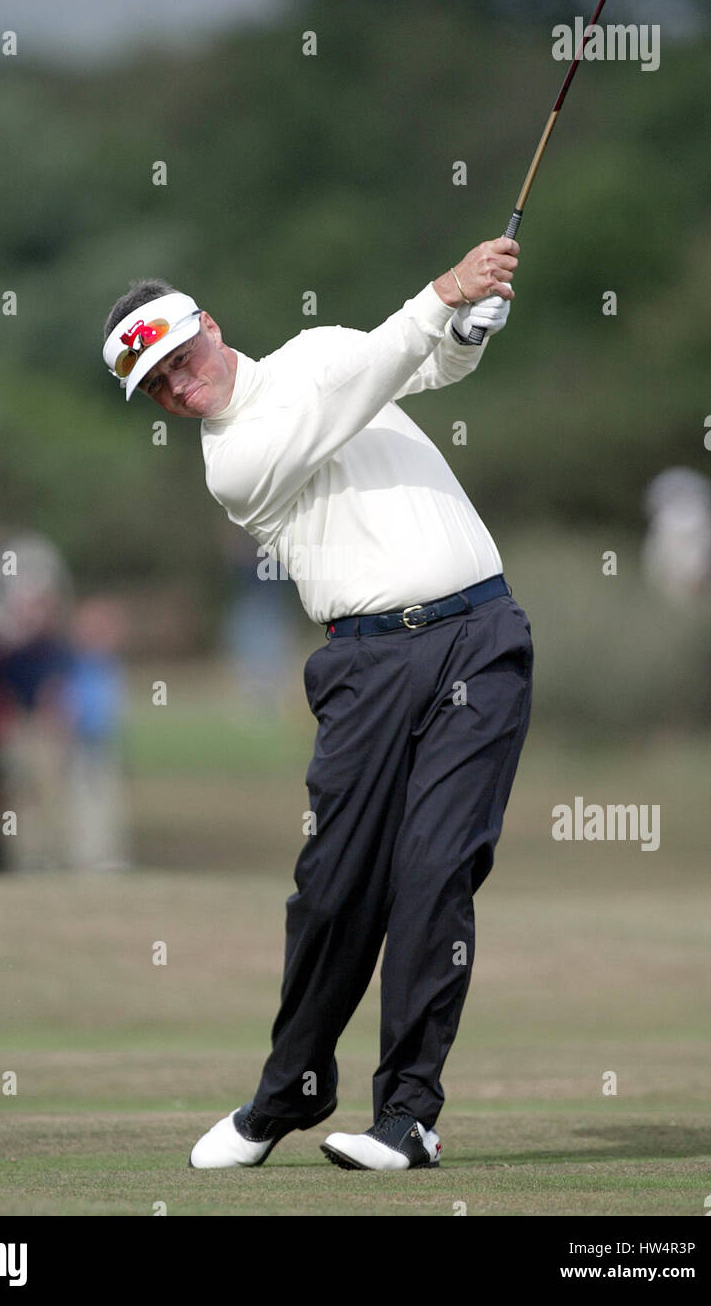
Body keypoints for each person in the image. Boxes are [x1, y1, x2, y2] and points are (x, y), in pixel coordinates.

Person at [101, 236, 533, 1170]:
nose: (179, 385)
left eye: (181, 357)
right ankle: (286, 1095)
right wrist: (433, 297)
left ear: (209, 327)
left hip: (481, 636)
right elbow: (357, 388)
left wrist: (463, 326)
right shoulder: (232, 461)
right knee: (334, 891)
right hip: (365, 668)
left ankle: (406, 1117)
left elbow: (418, 366)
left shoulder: (322, 349)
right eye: (158, 384)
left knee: (434, 873)